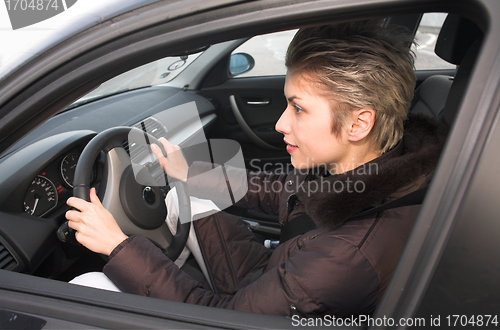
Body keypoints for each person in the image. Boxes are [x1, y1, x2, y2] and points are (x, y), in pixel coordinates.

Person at [66, 20, 447, 317]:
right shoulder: (372, 163)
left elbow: (222, 319)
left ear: (358, 124)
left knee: (89, 284)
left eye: (298, 108)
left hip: (251, 303)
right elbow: (279, 189)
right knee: (187, 196)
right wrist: (191, 172)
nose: (282, 123)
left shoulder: (343, 260)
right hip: (272, 274)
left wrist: (117, 246)